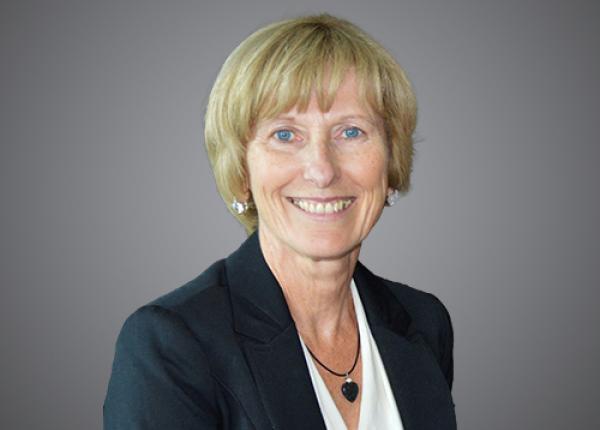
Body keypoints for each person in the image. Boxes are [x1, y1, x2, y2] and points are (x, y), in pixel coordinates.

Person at [104, 14, 456, 430]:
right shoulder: (174, 344)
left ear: (391, 161)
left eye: (351, 132)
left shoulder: (422, 322)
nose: (322, 170)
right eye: (285, 135)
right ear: (241, 172)